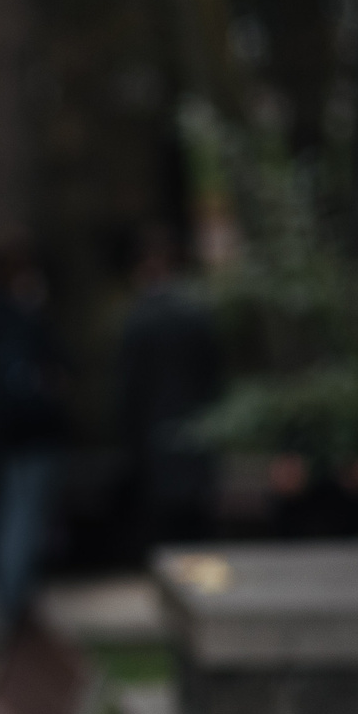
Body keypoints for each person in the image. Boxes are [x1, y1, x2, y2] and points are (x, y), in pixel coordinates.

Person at [0, 241, 71, 635]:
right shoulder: (17, 317)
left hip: (4, 437)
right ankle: (12, 609)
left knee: (14, 518)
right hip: (28, 435)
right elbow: (45, 368)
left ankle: (12, 603)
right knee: (20, 520)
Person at [113, 225, 222, 555]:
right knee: (196, 534)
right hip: (197, 436)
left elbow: (128, 390)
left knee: (163, 537)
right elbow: (215, 377)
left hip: (153, 442)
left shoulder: (138, 319)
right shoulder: (198, 314)